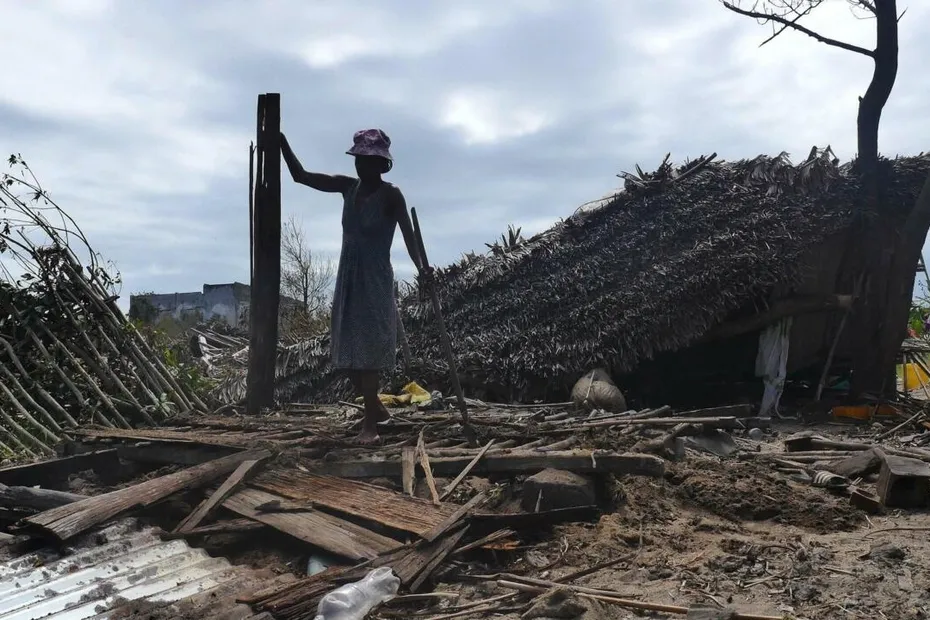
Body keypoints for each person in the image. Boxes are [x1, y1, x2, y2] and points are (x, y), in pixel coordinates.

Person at [281, 128, 428, 444]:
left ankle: (370, 427)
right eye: (360, 159)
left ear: (382, 164)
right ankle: (377, 410)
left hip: (374, 279)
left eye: (370, 161)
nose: (363, 166)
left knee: (369, 350)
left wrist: (423, 269)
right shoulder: (347, 188)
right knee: (345, 351)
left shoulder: (392, 196)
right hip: (348, 278)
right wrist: (282, 143)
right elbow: (300, 176)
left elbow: (409, 237)